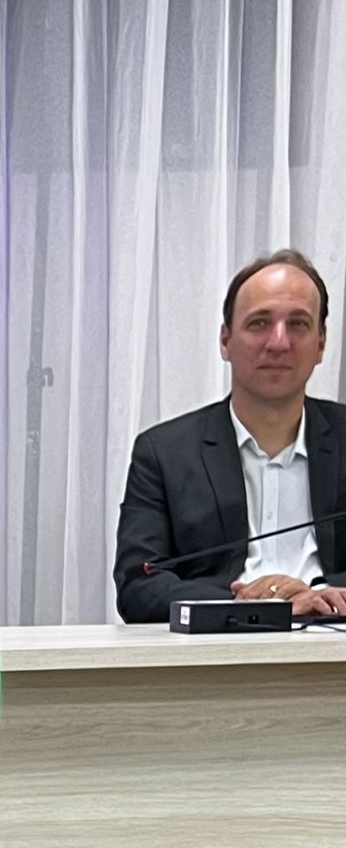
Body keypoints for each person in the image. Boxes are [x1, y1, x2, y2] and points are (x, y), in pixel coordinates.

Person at [114, 249, 346, 621]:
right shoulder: (163, 453)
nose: (279, 342)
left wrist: (317, 595)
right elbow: (137, 585)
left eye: (298, 324)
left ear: (321, 344)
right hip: (216, 646)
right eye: (259, 323)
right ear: (225, 340)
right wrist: (253, 604)